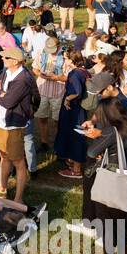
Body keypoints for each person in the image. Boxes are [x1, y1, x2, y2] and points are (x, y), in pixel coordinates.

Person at [74, 88, 127, 254]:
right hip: (125, 180)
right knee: (121, 223)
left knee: (108, 223)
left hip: (110, 182)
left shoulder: (111, 131)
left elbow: (92, 153)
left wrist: (94, 137)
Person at [0, 45, 36, 205]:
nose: (2, 59)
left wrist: (1, 94)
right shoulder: (6, 71)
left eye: (6, 57)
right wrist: (1, 93)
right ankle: (2, 188)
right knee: (3, 155)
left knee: (18, 161)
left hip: (14, 125)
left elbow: (9, 102)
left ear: (16, 61)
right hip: (2, 122)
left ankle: (18, 198)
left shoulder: (23, 79)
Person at [54, 49, 90, 179]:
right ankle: (73, 163)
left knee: (76, 137)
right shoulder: (84, 71)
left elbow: (77, 91)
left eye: (65, 58)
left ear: (71, 60)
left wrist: (68, 99)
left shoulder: (74, 73)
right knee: (76, 136)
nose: (64, 60)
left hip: (74, 111)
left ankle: (76, 169)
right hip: (80, 110)